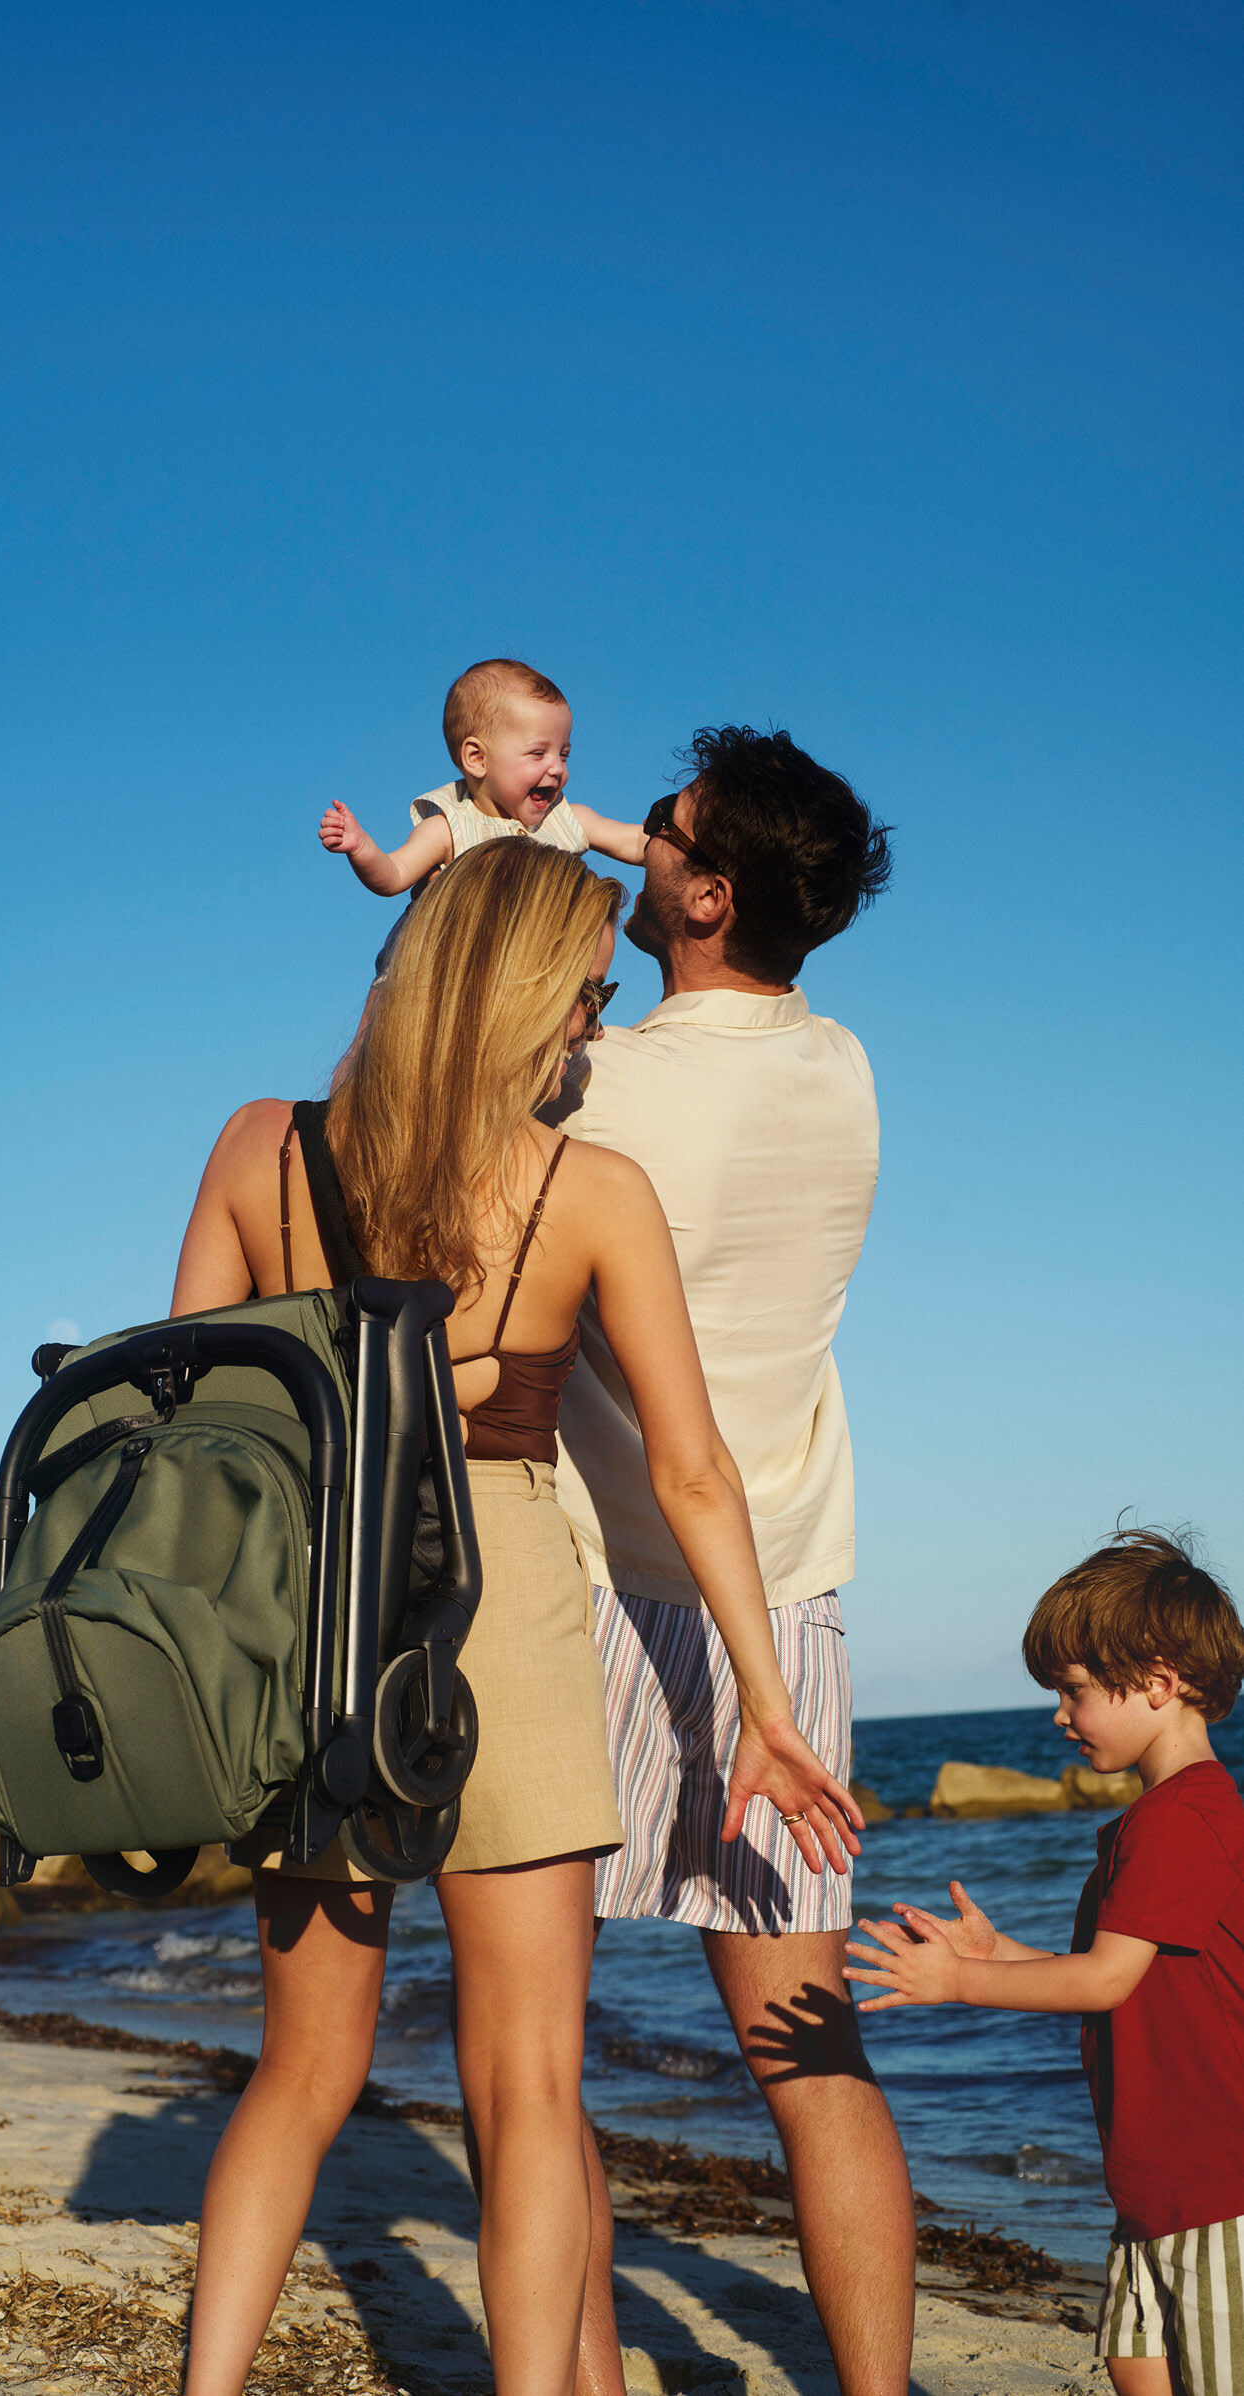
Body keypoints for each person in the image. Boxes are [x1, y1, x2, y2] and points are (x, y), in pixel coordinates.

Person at [170, 837, 865, 2396]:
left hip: (304, 1618)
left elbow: (199, 1426)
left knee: (299, 2068)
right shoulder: (585, 1186)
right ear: (529, 999)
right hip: (496, 1609)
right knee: (529, 2081)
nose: (594, 1031)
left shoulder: (256, 1145)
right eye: (587, 998)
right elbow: (691, 1474)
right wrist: (762, 1701)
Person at [549, 724, 916, 2396]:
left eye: (663, 833)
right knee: (808, 2048)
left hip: (594, 1583)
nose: (635, 840)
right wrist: (649, 841)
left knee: (530, 2064)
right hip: (782, 1591)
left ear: (700, 888)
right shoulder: (841, 1068)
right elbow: (719, 911)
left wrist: (513, 827)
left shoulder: (601, 1084)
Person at [845, 1530, 1244, 2396]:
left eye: (1073, 1691)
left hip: (1218, 2191)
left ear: (1159, 1681)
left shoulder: (1182, 1820)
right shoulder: (1160, 1822)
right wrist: (1005, 1954)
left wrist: (959, 1982)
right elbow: (1121, 1982)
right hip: (1155, 2190)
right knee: (1134, 2362)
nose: (1058, 1716)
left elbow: (1102, 1979)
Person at [317, 655, 647, 899]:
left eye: (564, 753)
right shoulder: (449, 827)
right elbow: (394, 874)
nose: (557, 768)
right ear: (477, 759)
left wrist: (691, 833)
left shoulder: (567, 819)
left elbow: (634, 842)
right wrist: (360, 847)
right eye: (538, 753)